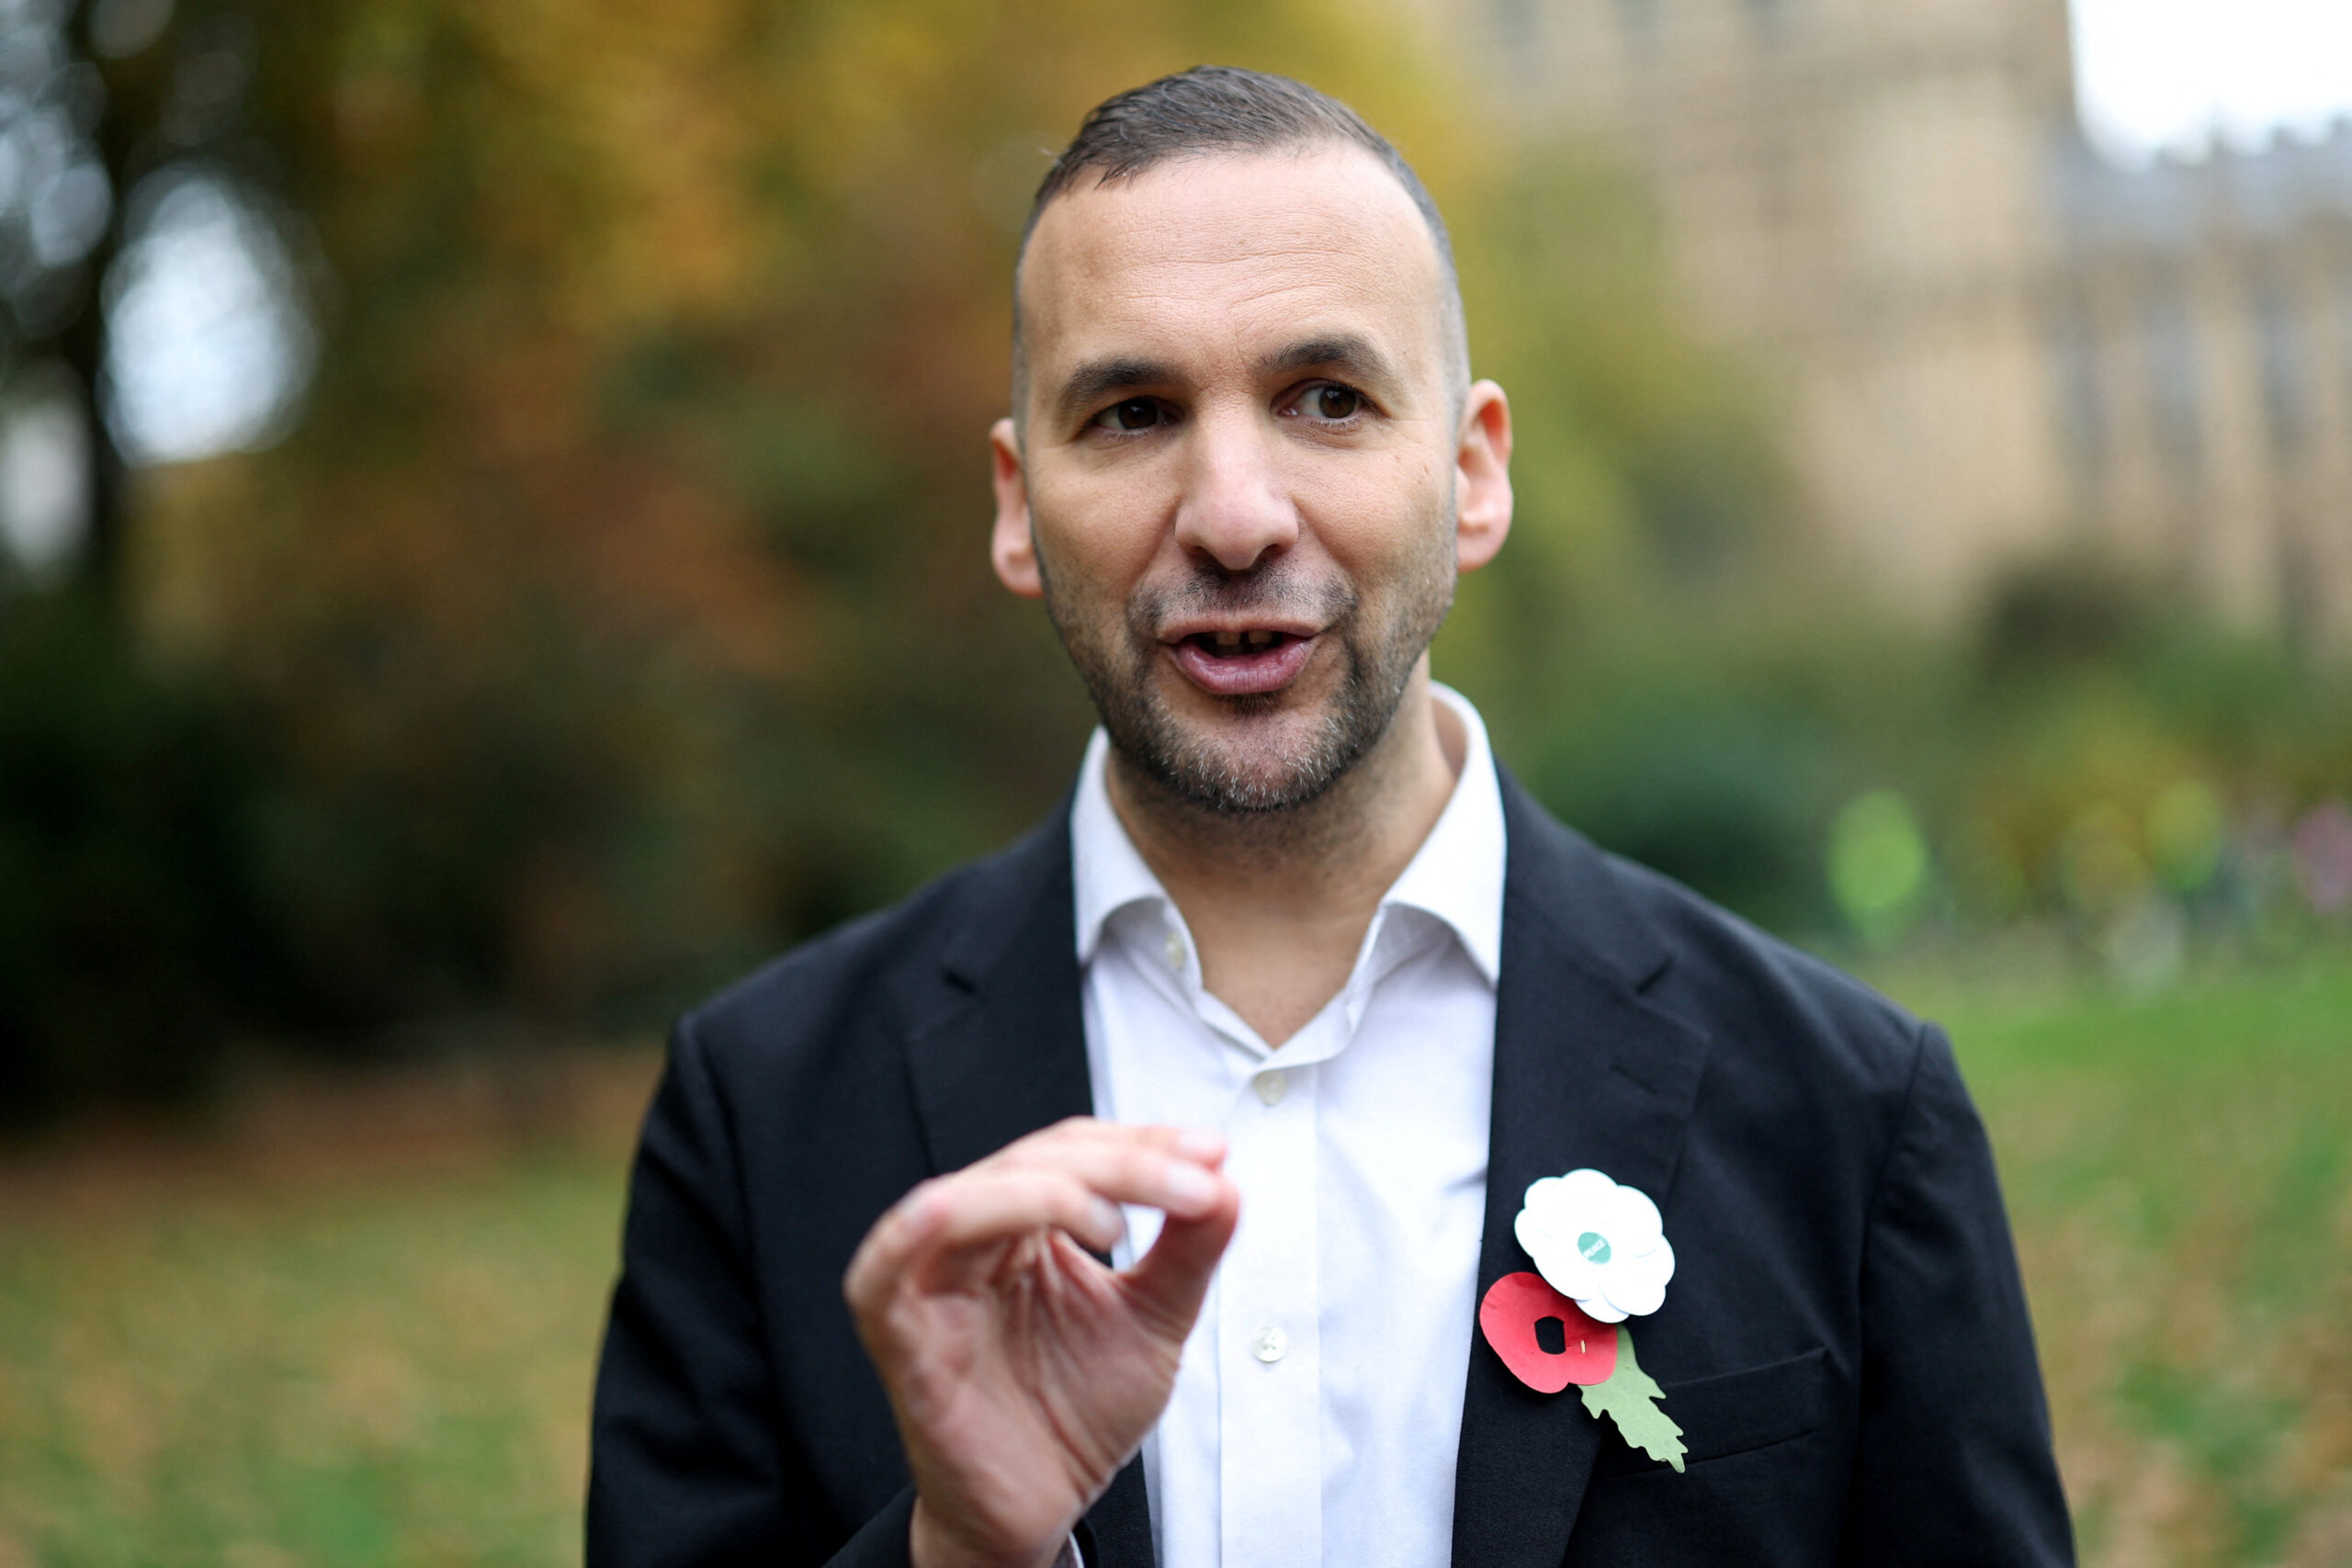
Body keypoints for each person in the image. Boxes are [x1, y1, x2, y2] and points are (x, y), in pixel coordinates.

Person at [586, 66, 2075, 1568]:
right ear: (1017, 503)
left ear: (1473, 471)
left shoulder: (1852, 1118)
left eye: (1326, 401)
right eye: (1132, 413)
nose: (1234, 512)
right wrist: (963, 1551)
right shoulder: (760, 1121)